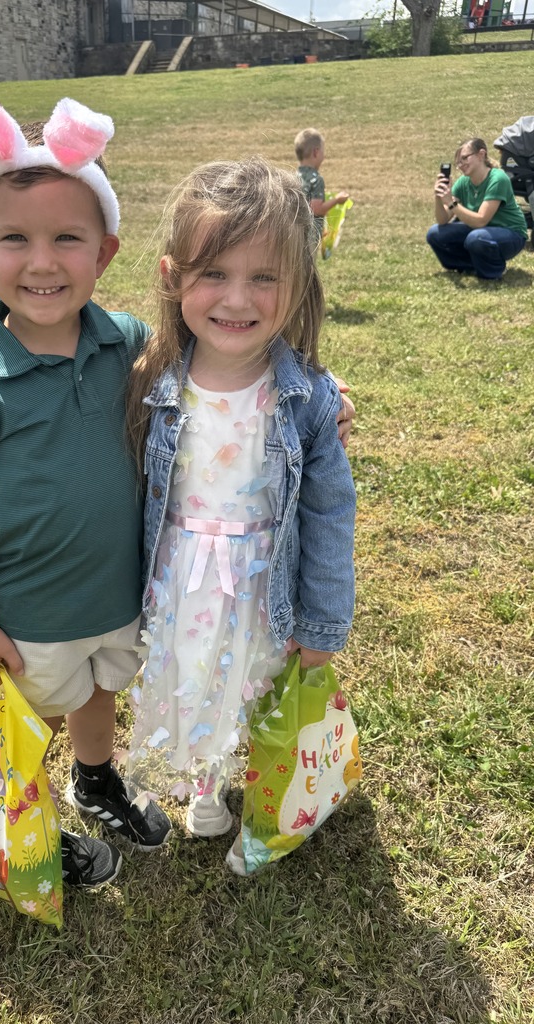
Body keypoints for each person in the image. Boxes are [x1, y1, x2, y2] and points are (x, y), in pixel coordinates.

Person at [0, 74, 173, 890]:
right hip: (33, 613)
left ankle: (96, 780)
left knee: (100, 689)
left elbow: (220, 377)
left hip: (120, 593)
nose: (42, 262)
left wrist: (318, 397)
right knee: (34, 723)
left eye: (67, 239)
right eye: (14, 239)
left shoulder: (130, 345)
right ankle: (27, 818)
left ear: (104, 252)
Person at [123, 157, 356, 874]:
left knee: (256, 687)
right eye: (215, 274)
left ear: (299, 282)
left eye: (263, 277)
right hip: (180, 577)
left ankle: (260, 779)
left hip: (263, 583)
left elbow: (329, 515)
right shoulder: (147, 378)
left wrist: (323, 624)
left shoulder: (308, 400)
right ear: (172, 277)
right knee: (193, 681)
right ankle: (205, 784)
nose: (237, 298)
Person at [427, 137, 528, 280]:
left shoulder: (498, 178)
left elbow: (481, 221)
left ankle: (493, 271)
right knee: (434, 233)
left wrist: (452, 203)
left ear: (481, 154)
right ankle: (471, 265)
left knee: (476, 238)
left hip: (511, 234)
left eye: (465, 158)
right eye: (458, 162)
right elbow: (442, 220)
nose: (461, 165)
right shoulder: (463, 182)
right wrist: (439, 197)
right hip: (481, 232)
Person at [294, 128, 350, 245]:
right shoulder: (316, 180)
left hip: (293, 234)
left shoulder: (293, 177)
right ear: (316, 152)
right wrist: (337, 200)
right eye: (323, 152)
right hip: (309, 238)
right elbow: (317, 209)